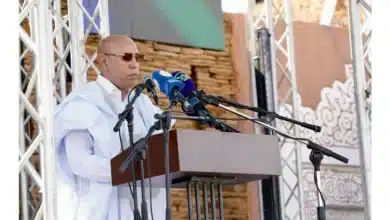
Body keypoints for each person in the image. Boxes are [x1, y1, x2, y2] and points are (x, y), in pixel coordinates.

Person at [54, 35, 173, 220]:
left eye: (137, 58)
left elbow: (163, 146)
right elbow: (80, 162)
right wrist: (125, 171)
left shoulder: (142, 103)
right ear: (104, 61)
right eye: (126, 57)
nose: (134, 64)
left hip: (147, 209)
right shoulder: (83, 102)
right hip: (101, 211)